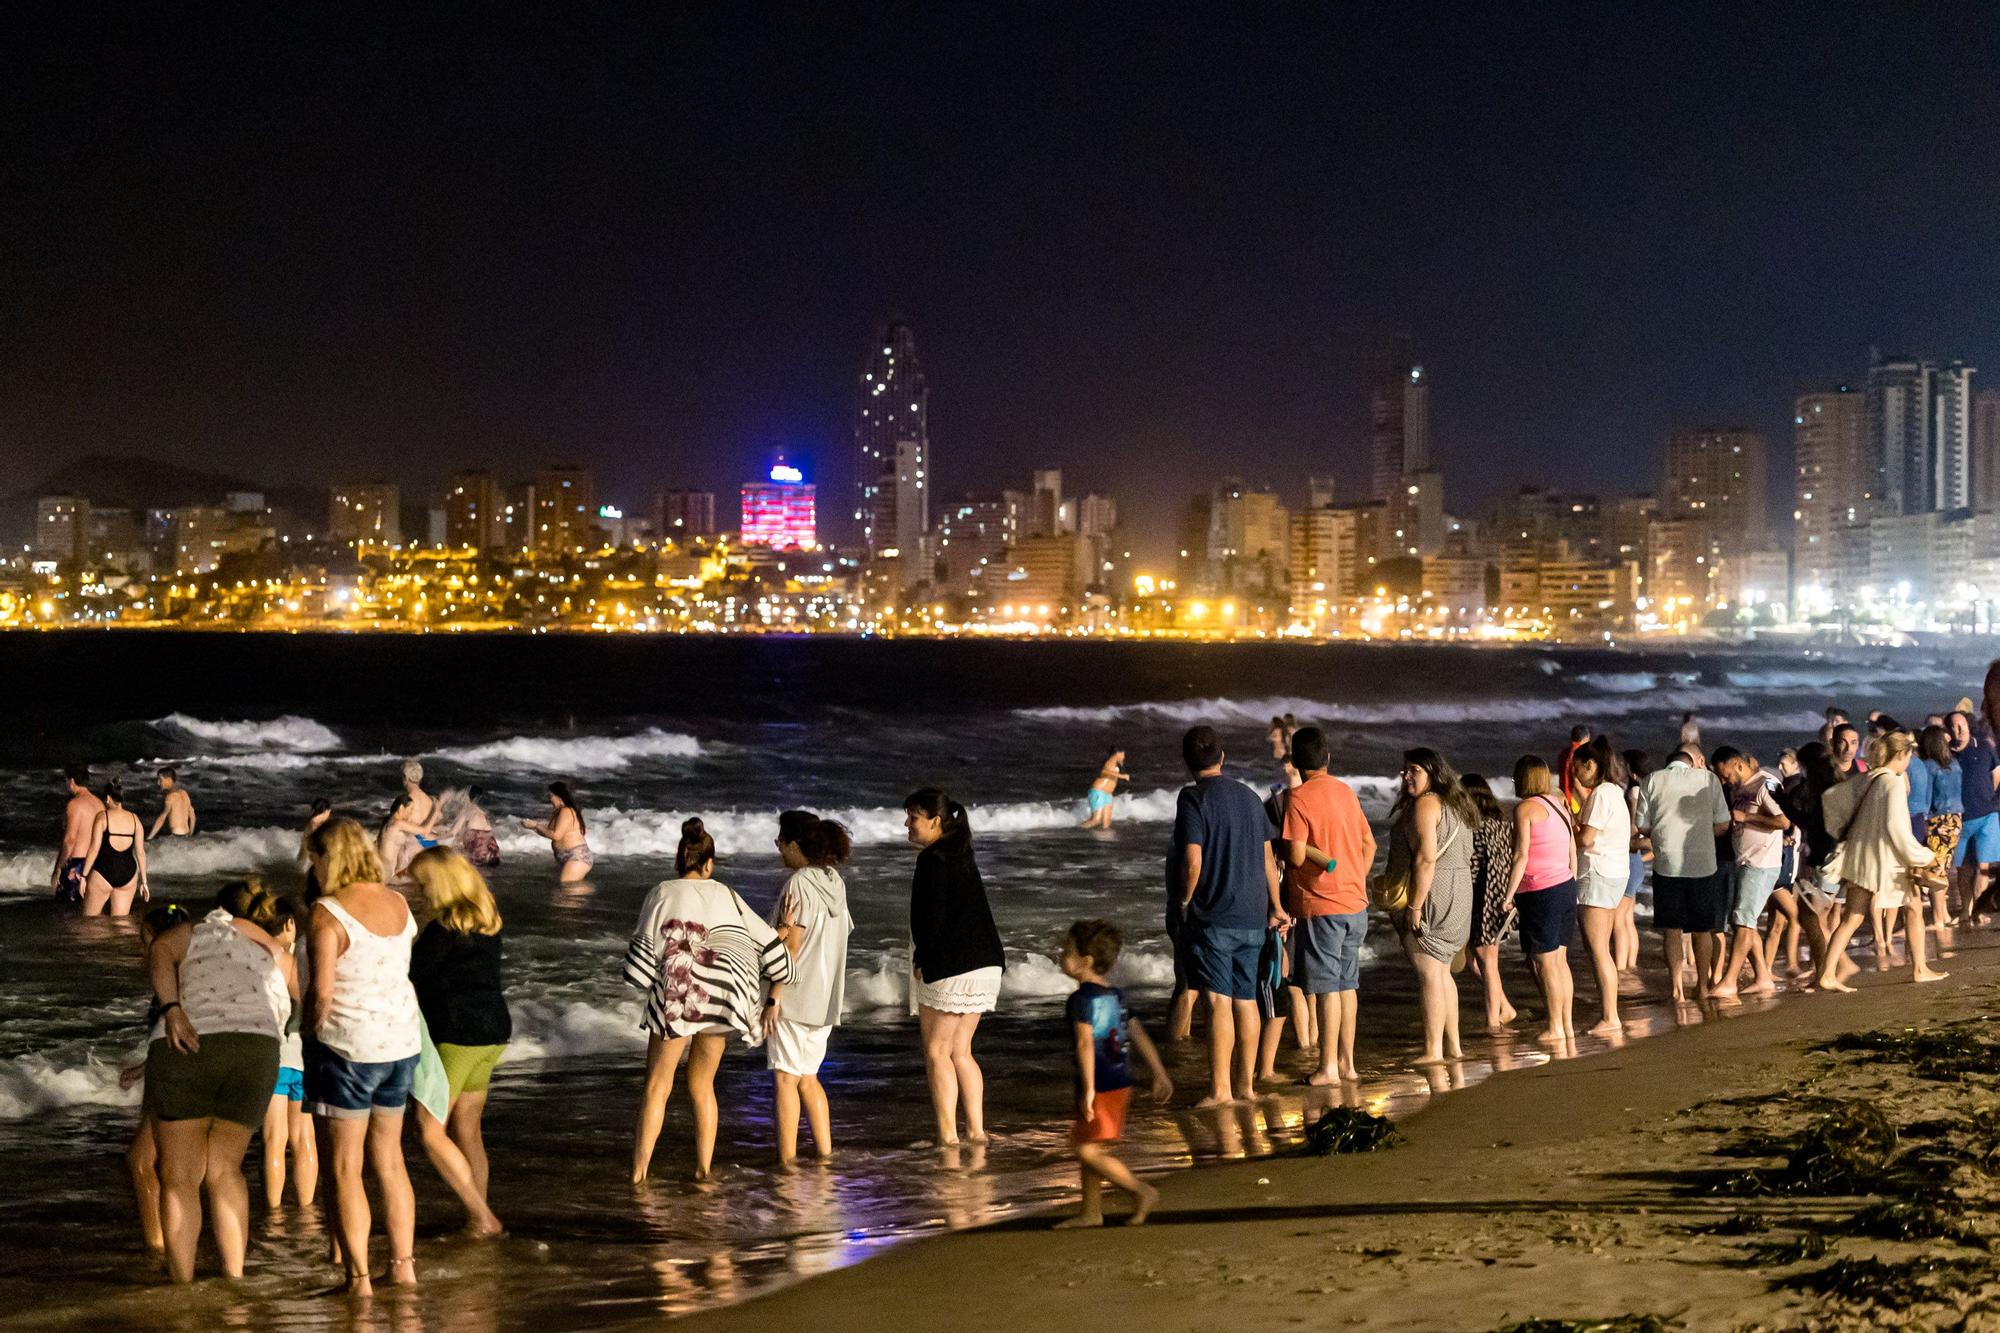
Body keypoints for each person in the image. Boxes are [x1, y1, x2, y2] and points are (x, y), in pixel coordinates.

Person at [145, 881, 296, 1283]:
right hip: (256, 1050)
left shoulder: (195, 931)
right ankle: (234, 1275)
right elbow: (302, 994)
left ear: (218, 907)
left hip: (188, 1043)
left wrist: (173, 1009)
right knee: (226, 1170)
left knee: (179, 1177)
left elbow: (160, 950)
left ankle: (182, 1283)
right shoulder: (271, 945)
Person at [625, 819, 793, 1181]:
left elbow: (638, 969)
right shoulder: (727, 895)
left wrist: (646, 979)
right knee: (702, 1086)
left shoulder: (662, 892)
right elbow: (775, 954)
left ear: (679, 860)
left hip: (680, 994)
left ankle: (639, 1174)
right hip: (724, 1000)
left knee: (658, 1085)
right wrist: (772, 992)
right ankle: (703, 1171)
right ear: (709, 864)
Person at [304, 816, 424, 1296]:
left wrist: (310, 1033)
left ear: (327, 857)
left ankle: (359, 1279)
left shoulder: (328, 912)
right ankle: (403, 1267)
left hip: (349, 1048)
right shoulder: (398, 902)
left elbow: (322, 994)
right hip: (401, 1044)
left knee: (346, 1166)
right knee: (390, 1159)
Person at [1173, 726, 1289, 1106]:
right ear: (1221, 758)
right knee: (1246, 1001)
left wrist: (1185, 901)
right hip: (1254, 915)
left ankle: (1220, 1091)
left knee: (1218, 1001)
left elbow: (1193, 860)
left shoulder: (1192, 798)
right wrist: (1275, 906)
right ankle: (1246, 1087)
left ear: (1188, 762)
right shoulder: (1249, 796)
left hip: (1214, 916)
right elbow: (1268, 860)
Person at [406, 847, 507, 1237]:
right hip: (493, 1031)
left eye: (421, 885)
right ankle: (477, 1216)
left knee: (429, 1128)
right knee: (468, 1130)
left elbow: (411, 975)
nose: (417, 892)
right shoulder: (487, 921)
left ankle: (483, 1216)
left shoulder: (443, 930)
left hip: (457, 1034)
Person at [904, 788, 1006, 1144]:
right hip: (988, 963)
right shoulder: (962, 855)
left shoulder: (932, 859)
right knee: (961, 1051)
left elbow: (931, 918)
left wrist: (923, 960)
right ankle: (976, 1131)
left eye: (913, 817)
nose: (907, 824)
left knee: (936, 1052)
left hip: (953, 964)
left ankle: (948, 1136)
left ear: (935, 821)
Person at [1054, 920, 1172, 1229]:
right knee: (1088, 1144)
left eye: (1067, 950)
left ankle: (1141, 1190)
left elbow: (1084, 1043)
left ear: (1085, 962)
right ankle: (1091, 1212)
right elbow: (1138, 1034)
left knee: (1085, 1149)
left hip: (1100, 1085)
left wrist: (1090, 1090)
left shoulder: (1080, 1001)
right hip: (1120, 1082)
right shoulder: (1117, 997)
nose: (1060, 955)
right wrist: (1160, 1072)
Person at [1279, 727, 1374, 1083]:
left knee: (1325, 988)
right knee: (1348, 985)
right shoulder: (1345, 792)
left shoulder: (1298, 798)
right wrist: (1354, 878)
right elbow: (1369, 845)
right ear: (1328, 759)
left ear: (1296, 763)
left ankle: (1328, 1067)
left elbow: (1298, 854)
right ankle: (1348, 1065)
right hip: (1355, 902)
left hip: (1322, 905)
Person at [1816, 731, 1946, 991]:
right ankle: (1920, 968)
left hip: (1861, 857)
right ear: (1902, 754)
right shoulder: (1893, 782)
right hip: (1887, 861)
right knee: (1914, 909)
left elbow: (1832, 801)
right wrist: (1925, 855)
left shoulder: (1870, 779)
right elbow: (1896, 828)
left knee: (1852, 917)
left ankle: (1827, 974)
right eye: (1909, 755)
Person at [767, 810, 854, 1165]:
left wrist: (773, 997)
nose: (778, 850)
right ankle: (825, 1154)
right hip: (825, 999)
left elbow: (792, 948)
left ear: (793, 844)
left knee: (786, 1081)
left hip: (794, 996)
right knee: (808, 1079)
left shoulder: (799, 883)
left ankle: (787, 1163)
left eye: (780, 843)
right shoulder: (834, 881)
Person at [1388, 747, 1476, 1063]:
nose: (1407, 776)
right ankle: (1453, 1047)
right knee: (1441, 973)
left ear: (1432, 773)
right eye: (1405, 771)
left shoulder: (1426, 805)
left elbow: (1426, 859)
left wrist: (1414, 907)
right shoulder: (1454, 803)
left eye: (1415, 770)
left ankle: (1432, 1051)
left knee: (1429, 973)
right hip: (1459, 889)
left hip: (1434, 893)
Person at [121, 901, 191, 1255]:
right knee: (172, 1166)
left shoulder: (169, 973)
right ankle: (173, 1242)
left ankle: (159, 1246)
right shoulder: (187, 971)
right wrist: (143, 1068)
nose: (141, 947)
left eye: (144, 939)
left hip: (174, 1072)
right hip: (173, 1068)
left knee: (141, 1160)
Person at [1635, 747, 1732, 1002]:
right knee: (1702, 928)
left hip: (1667, 864)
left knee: (1672, 929)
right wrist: (1701, 833)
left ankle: (1677, 989)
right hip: (1703, 864)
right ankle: (1701, 986)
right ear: (1693, 763)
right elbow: (1724, 823)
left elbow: (1642, 825)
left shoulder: (1652, 779)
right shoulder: (1708, 779)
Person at [1504, 756, 1577, 1045]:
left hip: (1539, 891)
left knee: (1545, 962)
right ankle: (1567, 1026)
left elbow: (1520, 855)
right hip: (1564, 886)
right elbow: (1572, 849)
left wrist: (1508, 896)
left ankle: (1555, 1027)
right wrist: (1570, 880)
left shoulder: (1525, 809)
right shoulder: (1558, 803)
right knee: (1560, 960)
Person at [1711, 748, 1789, 998]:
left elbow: (1783, 822)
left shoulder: (1763, 785)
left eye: (1725, 774)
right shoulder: (1739, 790)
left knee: (1743, 920)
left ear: (1736, 764)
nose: (1725, 781)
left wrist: (1747, 818)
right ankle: (1763, 978)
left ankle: (1730, 981)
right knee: (1742, 920)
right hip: (1743, 861)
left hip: (1762, 863)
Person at [260, 897, 317, 1212]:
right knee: (304, 1138)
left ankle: (275, 1213)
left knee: (274, 1139)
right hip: (306, 1058)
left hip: (276, 1058)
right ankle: (308, 1213)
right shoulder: (308, 957)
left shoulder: (265, 959)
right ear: (290, 924)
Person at [1571, 738, 1630, 1034]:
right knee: (1601, 947)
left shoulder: (1602, 795)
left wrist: (1571, 833)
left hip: (1597, 872)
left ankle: (1610, 1016)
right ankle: (1610, 1014)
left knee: (1597, 950)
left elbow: (1587, 839)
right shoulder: (1614, 792)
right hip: (1615, 871)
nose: (1573, 774)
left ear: (1590, 765)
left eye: (1576, 768)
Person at [1461, 773, 1519, 1031]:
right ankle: (1504, 1007)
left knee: (1485, 960)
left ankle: (1493, 1022)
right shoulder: (1502, 822)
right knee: (1479, 959)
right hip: (1500, 896)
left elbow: (1472, 868)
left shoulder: (1475, 827)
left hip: (1482, 898)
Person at [1949, 711, 2000, 923]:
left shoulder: (1984, 746)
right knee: (1963, 868)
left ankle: (1977, 909)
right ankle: (1965, 909)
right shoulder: (1946, 753)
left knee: (1984, 866)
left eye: (1963, 726)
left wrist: (1988, 798)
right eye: (1954, 727)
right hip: (1959, 819)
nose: (1959, 731)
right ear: (1948, 730)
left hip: (1987, 814)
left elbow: (1997, 772)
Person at [79, 780, 149, 916]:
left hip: (103, 873)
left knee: (90, 923)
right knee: (120, 924)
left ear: (107, 798)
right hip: (128, 875)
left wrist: (83, 876)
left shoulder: (102, 817)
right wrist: (144, 882)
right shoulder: (135, 819)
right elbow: (140, 853)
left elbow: (94, 849)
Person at [1917, 724, 1962, 924]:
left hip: (1937, 820)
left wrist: (1923, 820)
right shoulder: (1955, 764)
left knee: (1935, 870)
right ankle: (1943, 914)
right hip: (1955, 819)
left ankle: (1937, 919)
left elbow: (1927, 798)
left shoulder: (1928, 766)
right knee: (1944, 867)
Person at [1616, 750, 1652, 973]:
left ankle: (1621, 969)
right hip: (1635, 859)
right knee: (1628, 918)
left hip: (1629, 857)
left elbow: (1633, 826)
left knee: (1620, 919)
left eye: (1622, 765)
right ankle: (1630, 965)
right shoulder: (1646, 789)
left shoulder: (1634, 791)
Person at [50, 765, 104, 904]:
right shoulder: (99, 804)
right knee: (88, 908)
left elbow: (70, 840)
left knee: (66, 911)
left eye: (66, 780)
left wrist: (58, 869)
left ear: (71, 781)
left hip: (76, 864)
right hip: (96, 863)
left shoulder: (74, 804)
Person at [524, 781, 593, 882]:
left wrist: (536, 825)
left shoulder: (566, 811)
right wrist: (533, 827)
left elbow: (556, 835)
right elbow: (549, 832)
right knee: (566, 890)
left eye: (551, 795)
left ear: (559, 796)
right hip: (569, 856)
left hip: (576, 857)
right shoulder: (558, 812)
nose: (549, 798)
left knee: (564, 890)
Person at [377, 794, 423, 884]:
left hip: (385, 872)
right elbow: (425, 830)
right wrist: (435, 811)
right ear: (402, 808)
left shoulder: (388, 822)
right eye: (411, 809)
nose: (411, 813)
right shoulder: (398, 824)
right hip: (387, 876)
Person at [1080, 749, 1131, 830]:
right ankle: (1077, 830)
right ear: (1117, 753)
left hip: (1108, 794)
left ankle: (1105, 839)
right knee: (1095, 820)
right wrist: (1122, 776)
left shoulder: (1116, 765)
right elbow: (1104, 771)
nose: (1124, 757)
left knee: (1106, 822)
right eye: (1123, 754)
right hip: (1098, 791)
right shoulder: (1109, 762)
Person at [453, 786, 501, 867]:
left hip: (477, 844)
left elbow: (453, 832)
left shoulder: (467, 810)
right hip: (492, 846)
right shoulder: (483, 813)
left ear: (467, 797)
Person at [150, 767, 196, 838]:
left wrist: (150, 837)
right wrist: (191, 833)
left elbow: (162, 817)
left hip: (176, 837)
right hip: (186, 835)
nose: (158, 783)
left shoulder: (170, 797)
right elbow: (192, 814)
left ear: (168, 780)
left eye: (160, 779)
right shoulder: (184, 793)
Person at [400, 759, 440, 837]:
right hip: (428, 843)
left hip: (412, 844)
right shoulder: (430, 801)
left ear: (406, 777)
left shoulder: (405, 802)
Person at [1560, 725, 1592, 813]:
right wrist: (1587, 800)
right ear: (1585, 738)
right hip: (1576, 800)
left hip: (1565, 797)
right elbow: (1576, 779)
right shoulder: (1579, 753)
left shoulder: (1564, 753)